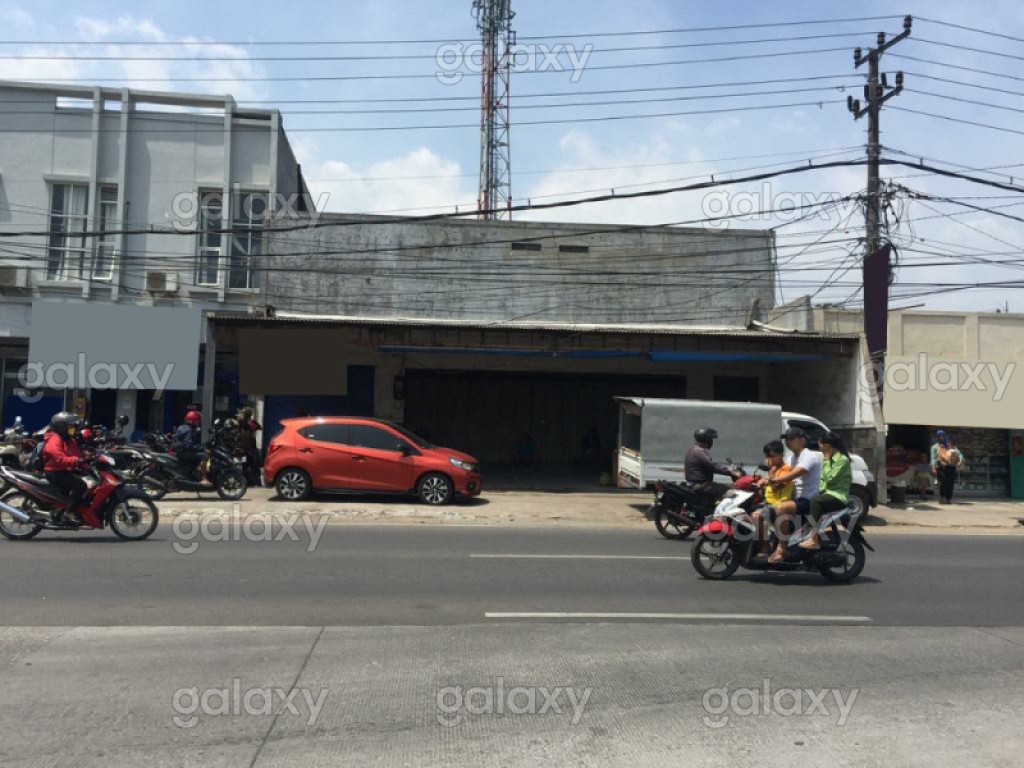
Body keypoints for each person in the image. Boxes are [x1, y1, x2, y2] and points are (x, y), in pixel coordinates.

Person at [767, 426, 823, 563]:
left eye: (791, 439)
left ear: (802, 440)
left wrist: (774, 479)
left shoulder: (809, 457)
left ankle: (782, 547)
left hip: (807, 500)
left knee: (781, 508)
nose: (787, 442)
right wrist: (769, 473)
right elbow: (781, 473)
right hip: (796, 498)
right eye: (786, 439)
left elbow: (792, 474)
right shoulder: (792, 458)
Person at [797, 432, 853, 550]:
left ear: (827, 445)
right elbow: (822, 481)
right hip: (828, 494)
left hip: (838, 496)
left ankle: (814, 539)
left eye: (821, 446)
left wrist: (827, 460)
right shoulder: (827, 459)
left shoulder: (842, 460)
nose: (820, 449)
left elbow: (831, 479)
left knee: (816, 501)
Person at [42, 411, 87, 524]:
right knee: (81, 485)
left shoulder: (69, 440)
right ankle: (68, 512)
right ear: (62, 427)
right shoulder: (54, 439)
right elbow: (60, 459)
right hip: (54, 472)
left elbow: (77, 455)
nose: (74, 429)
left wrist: (87, 465)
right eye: (71, 426)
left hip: (64, 470)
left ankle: (68, 510)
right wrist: (77, 461)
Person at [752, 440, 793, 556]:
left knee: (756, 516)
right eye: (767, 456)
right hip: (767, 503)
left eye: (772, 456)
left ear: (781, 455)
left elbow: (776, 486)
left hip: (778, 505)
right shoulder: (773, 470)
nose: (769, 459)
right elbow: (767, 482)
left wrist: (769, 475)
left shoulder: (786, 469)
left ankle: (765, 548)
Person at [684, 428, 739, 506]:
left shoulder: (693, 449)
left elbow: (711, 464)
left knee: (720, 488)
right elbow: (712, 467)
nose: (712, 442)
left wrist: (727, 470)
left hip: (697, 484)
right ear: (706, 440)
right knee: (731, 490)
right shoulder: (699, 452)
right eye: (711, 439)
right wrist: (731, 473)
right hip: (701, 485)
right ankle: (722, 514)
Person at [173, 410, 210, 485]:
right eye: (197, 421)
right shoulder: (189, 430)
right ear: (193, 420)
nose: (198, 423)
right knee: (204, 456)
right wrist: (202, 449)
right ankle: (204, 478)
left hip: (179, 451)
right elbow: (189, 445)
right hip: (184, 452)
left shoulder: (182, 427)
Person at [930, 429, 962, 504]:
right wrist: (933, 468)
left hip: (951, 467)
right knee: (943, 482)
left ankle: (948, 498)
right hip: (941, 467)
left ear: (945, 436)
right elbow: (933, 459)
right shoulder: (934, 447)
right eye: (939, 436)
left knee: (950, 483)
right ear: (937, 437)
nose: (941, 437)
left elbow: (959, 454)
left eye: (943, 435)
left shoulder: (950, 445)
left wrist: (960, 461)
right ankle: (942, 497)